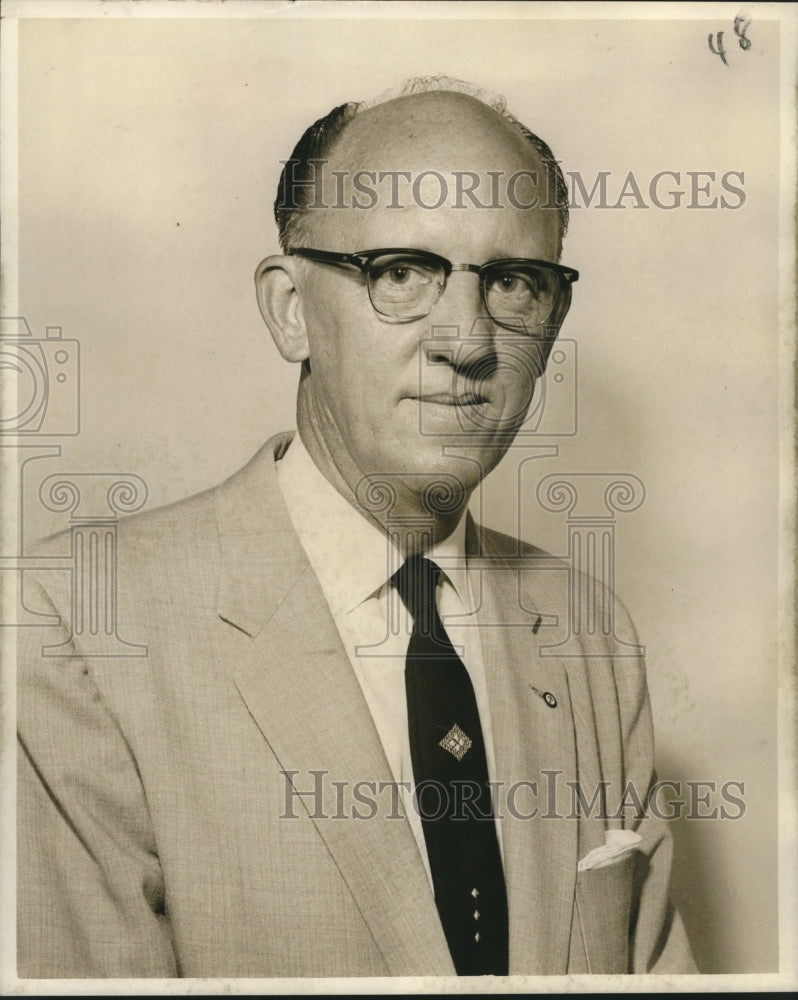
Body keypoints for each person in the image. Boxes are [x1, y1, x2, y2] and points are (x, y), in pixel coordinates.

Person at [17, 77, 696, 978]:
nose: (467, 340)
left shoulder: (588, 631)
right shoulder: (72, 624)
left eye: (514, 283)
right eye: (402, 273)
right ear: (290, 311)